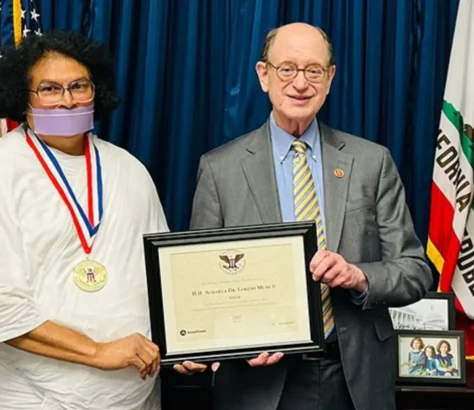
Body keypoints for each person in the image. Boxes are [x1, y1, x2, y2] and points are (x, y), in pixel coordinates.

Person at [185, 23, 433, 410]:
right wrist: (231, 345)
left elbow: (415, 270)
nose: (300, 83)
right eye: (287, 69)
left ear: (330, 78)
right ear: (263, 74)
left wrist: (359, 276)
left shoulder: (372, 162)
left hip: (354, 380)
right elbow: (201, 286)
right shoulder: (220, 169)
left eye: (313, 70)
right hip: (258, 383)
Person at [0, 31, 168, 409]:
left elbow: (165, 277)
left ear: (97, 90)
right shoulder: (4, 169)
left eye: (79, 86)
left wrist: (187, 342)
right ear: (22, 98)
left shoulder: (129, 169)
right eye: (49, 89)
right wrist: (98, 352)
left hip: (135, 394)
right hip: (35, 396)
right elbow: (2, 306)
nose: (67, 101)